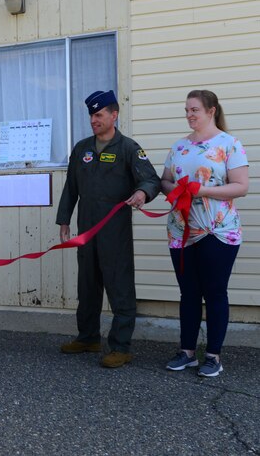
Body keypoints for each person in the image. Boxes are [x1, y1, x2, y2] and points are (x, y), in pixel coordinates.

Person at [56, 90, 161, 368]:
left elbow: (151, 180)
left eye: (99, 114)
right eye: (91, 114)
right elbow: (71, 188)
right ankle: (88, 337)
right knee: (88, 285)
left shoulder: (128, 148)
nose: (94, 119)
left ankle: (121, 347)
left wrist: (142, 194)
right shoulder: (82, 149)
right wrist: (64, 220)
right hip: (86, 230)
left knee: (119, 287)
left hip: (115, 233)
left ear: (114, 115)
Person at [162, 90, 248, 377]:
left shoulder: (229, 144)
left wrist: (203, 190)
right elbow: (165, 180)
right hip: (181, 230)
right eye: (186, 110)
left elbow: (240, 186)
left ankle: (213, 355)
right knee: (188, 292)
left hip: (217, 230)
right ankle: (187, 352)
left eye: (195, 110)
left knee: (214, 292)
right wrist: (175, 192)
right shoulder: (178, 147)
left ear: (211, 111)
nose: (189, 115)